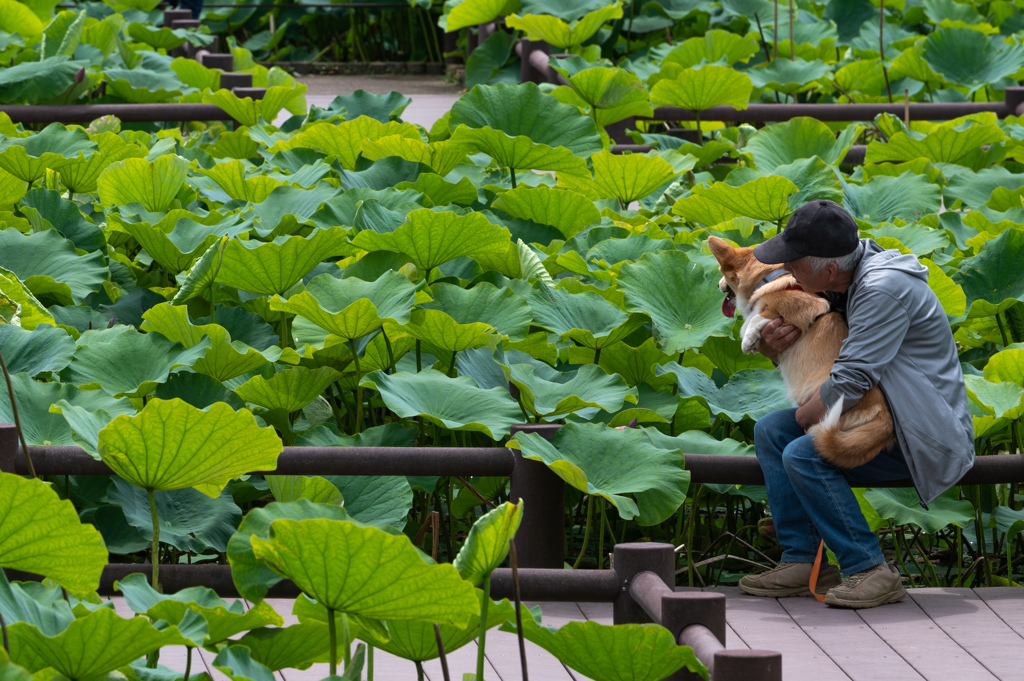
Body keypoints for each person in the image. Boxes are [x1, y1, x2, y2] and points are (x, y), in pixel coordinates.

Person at [737, 200, 974, 609]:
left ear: (828, 268)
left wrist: (804, 416)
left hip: (917, 435)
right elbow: (818, 360)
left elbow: (852, 377)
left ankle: (870, 569)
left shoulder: (882, 288)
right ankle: (803, 561)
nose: (786, 270)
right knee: (771, 432)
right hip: (874, 414)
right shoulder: (841, 277)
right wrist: (771, 348)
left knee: (802, 453)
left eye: (794, 263)